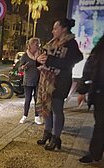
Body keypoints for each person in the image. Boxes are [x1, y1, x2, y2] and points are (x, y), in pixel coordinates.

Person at [36, 18, 83, 151]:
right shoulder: (52, 43)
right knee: (47, 108)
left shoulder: (71, 44)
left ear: (64, 29)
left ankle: (55, 138)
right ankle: (47, 132)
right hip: (46, 81)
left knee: (57, 109)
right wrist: (38, 60)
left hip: (60, 81)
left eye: (56, 28)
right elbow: (40, 60)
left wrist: (49, 60)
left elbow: (69, 62)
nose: (53, 31)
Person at [77, 33, 104, 164]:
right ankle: (95, 154)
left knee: (101, 125)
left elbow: (89, 67)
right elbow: (89, 67)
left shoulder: (100, 47)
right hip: (101, 93)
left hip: (101, 93)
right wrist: (82, 90)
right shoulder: (101, 48)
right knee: (101, 125)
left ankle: (95, 154)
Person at [18, 38, 43, 125]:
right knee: (27, 99)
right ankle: (25, 115)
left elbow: (43, 65)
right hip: (28, 80)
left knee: (37, 99)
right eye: (36, 44)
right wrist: (23, 67)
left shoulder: (40, 55)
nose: (38, 46)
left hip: (38, 79)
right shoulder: (25, 55)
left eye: (38, 44)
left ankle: (37, 116)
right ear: (31, 45)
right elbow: (19, 67)